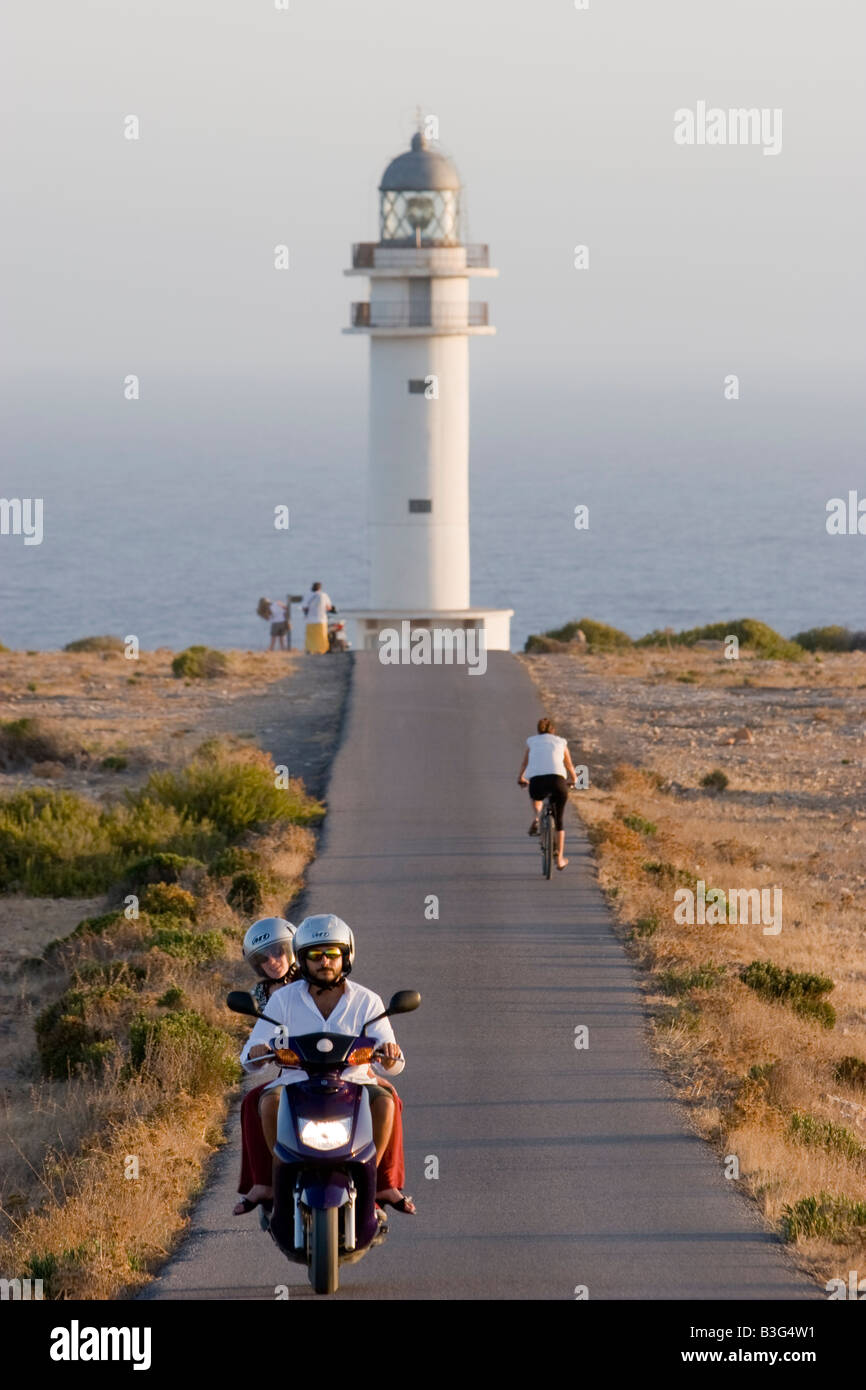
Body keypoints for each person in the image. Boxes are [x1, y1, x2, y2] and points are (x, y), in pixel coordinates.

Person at [237, 914, 414, 1215]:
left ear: (346, 955)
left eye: (332, 954)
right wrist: (257, 1051)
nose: (324, 962)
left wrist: (389, 1052)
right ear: (302, 960)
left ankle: (377, 1184)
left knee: (385, 1101)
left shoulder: (367, 1000)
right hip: (296, 1083)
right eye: (315, 956)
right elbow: (249, 1058)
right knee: (267, 1102)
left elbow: (393, 1062)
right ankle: (278, 1184)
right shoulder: (283, 1000)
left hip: (355, 1083)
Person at [517, 716, 578, 871]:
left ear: (538, 731)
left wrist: (521, 778)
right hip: (558, 781)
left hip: (537, 781)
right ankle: (559, 859)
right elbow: (568, 764)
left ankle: (537, 816)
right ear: (554, 730)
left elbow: (525, 763)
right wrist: (574, 779)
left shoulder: (532, 742)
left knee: (536, 798)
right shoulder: (561, 742)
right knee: (559, 821)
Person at [301, 582, 335, 655]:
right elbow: (329, 607)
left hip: (310, 620)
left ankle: (310, 649)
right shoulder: (324, 595)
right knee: (322, 635)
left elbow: (304, 607)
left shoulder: (308, 595)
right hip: (321, 619)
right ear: (320, 588)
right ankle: (322, 650)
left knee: (311, 636)